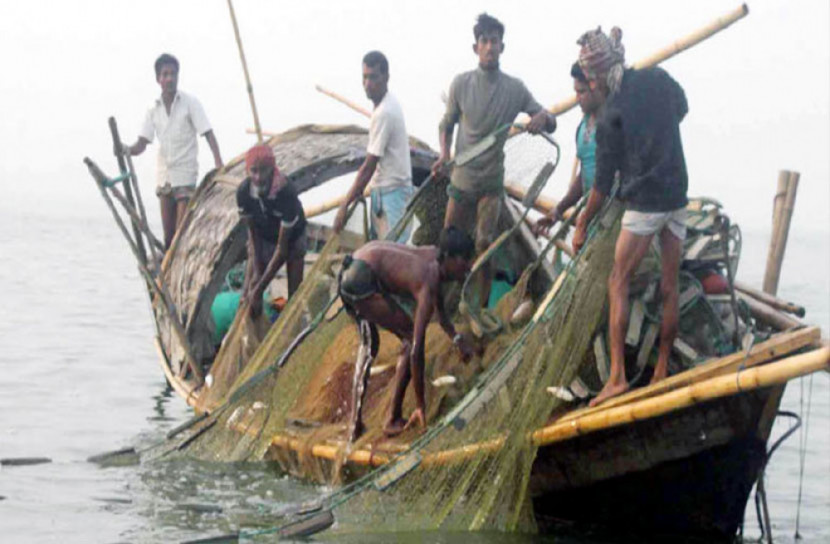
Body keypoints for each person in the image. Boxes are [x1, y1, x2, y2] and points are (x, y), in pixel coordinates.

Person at [569, 27, 690, 406]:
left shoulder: (609, 117)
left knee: (617, 280)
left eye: (589, 78)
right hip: (677, 193)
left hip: (645, 203)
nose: (589, 84)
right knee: (670, 284)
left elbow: (601, 187)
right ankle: (661, 369)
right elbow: (681, 107)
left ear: (599, 75)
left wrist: (582, 221)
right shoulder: (656, 78)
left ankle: (618, 377)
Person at [433, 13, 556, 310]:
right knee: (447, 246)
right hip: (461, 181)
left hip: (490, 185)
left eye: (494, 41)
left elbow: (550, 120)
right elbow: (446, 124)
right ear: (475, 47)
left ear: (502, 47)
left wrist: (541, 119)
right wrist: (444, 154)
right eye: (484, 41)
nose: (489, 47)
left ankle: (481, 308)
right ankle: (441, 306)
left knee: (485, 246)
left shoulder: (515, 89)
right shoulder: (461, 84)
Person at [338, 226, 476, 439]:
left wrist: (456, 338)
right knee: (410, 341)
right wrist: (421, 404)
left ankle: (355, 425)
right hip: (361, 278)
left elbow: (441, 313)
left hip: (354, 269)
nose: (468, 266)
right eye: (464, 260)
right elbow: (417, 350)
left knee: (369, 346)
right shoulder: (428, 282)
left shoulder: (434, 257)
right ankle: (392, 418)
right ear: (448, 257)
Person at [126, 53, 223, 249]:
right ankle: (168, 271)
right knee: (169, 235)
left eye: (173, 74)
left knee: (181, 233)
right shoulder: (153, 109)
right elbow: (141, 144)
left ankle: (177, 266)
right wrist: (125, 150)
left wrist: (218, 161)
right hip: (165, 175)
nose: (169, 78)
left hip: (185, 172)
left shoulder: (190, 103)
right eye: (165, 74)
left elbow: (208, 133)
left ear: (178, 76)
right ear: (158, 79)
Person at [333, 51, 414, 242]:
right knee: (380, 257)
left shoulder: (384, 112)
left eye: (373, 77)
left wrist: (345, 205)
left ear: (386, 77)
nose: (368, 84)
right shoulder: (384, 106)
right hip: (383, 193)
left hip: (392, 194)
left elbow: (369, 166)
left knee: (392, 259)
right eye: (364, 77)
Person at [236, 145, 308, 317]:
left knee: (294, 298)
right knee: (249, 293)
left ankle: (295, 326)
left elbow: (282, 250)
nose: (259, 177)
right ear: (247, 170)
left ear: (272, 168)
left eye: (264, 171)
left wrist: (260, 289)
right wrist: (255, 279)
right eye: (253, 171)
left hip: (292, 239)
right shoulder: (243, 192)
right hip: (264, 237)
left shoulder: (285, 191)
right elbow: (253, 237)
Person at [534, 62, 605, 234]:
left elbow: (605, 180)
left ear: (596, 87)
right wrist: (558, 210)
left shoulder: (611, 125)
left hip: (614, 218)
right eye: (576, 92)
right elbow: (585, 176)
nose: (578, 98)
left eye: (582, 92)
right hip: (594, 220)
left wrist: (584, 220)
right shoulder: (583, 127)